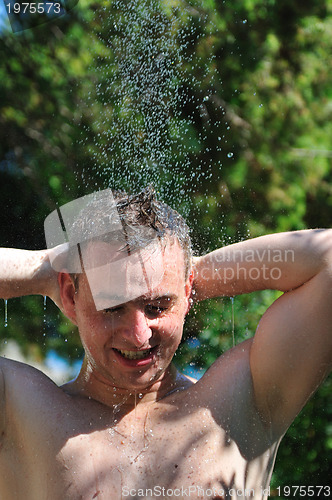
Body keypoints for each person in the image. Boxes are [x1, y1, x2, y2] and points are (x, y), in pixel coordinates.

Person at [0, 186, 331, 500]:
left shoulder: (241, 401)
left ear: (187, 293)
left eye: (157, 306)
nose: (139, 334)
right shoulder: (21, 410)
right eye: (113, 307)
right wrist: (47, 269)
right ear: (71, 297)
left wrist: (193, 271)